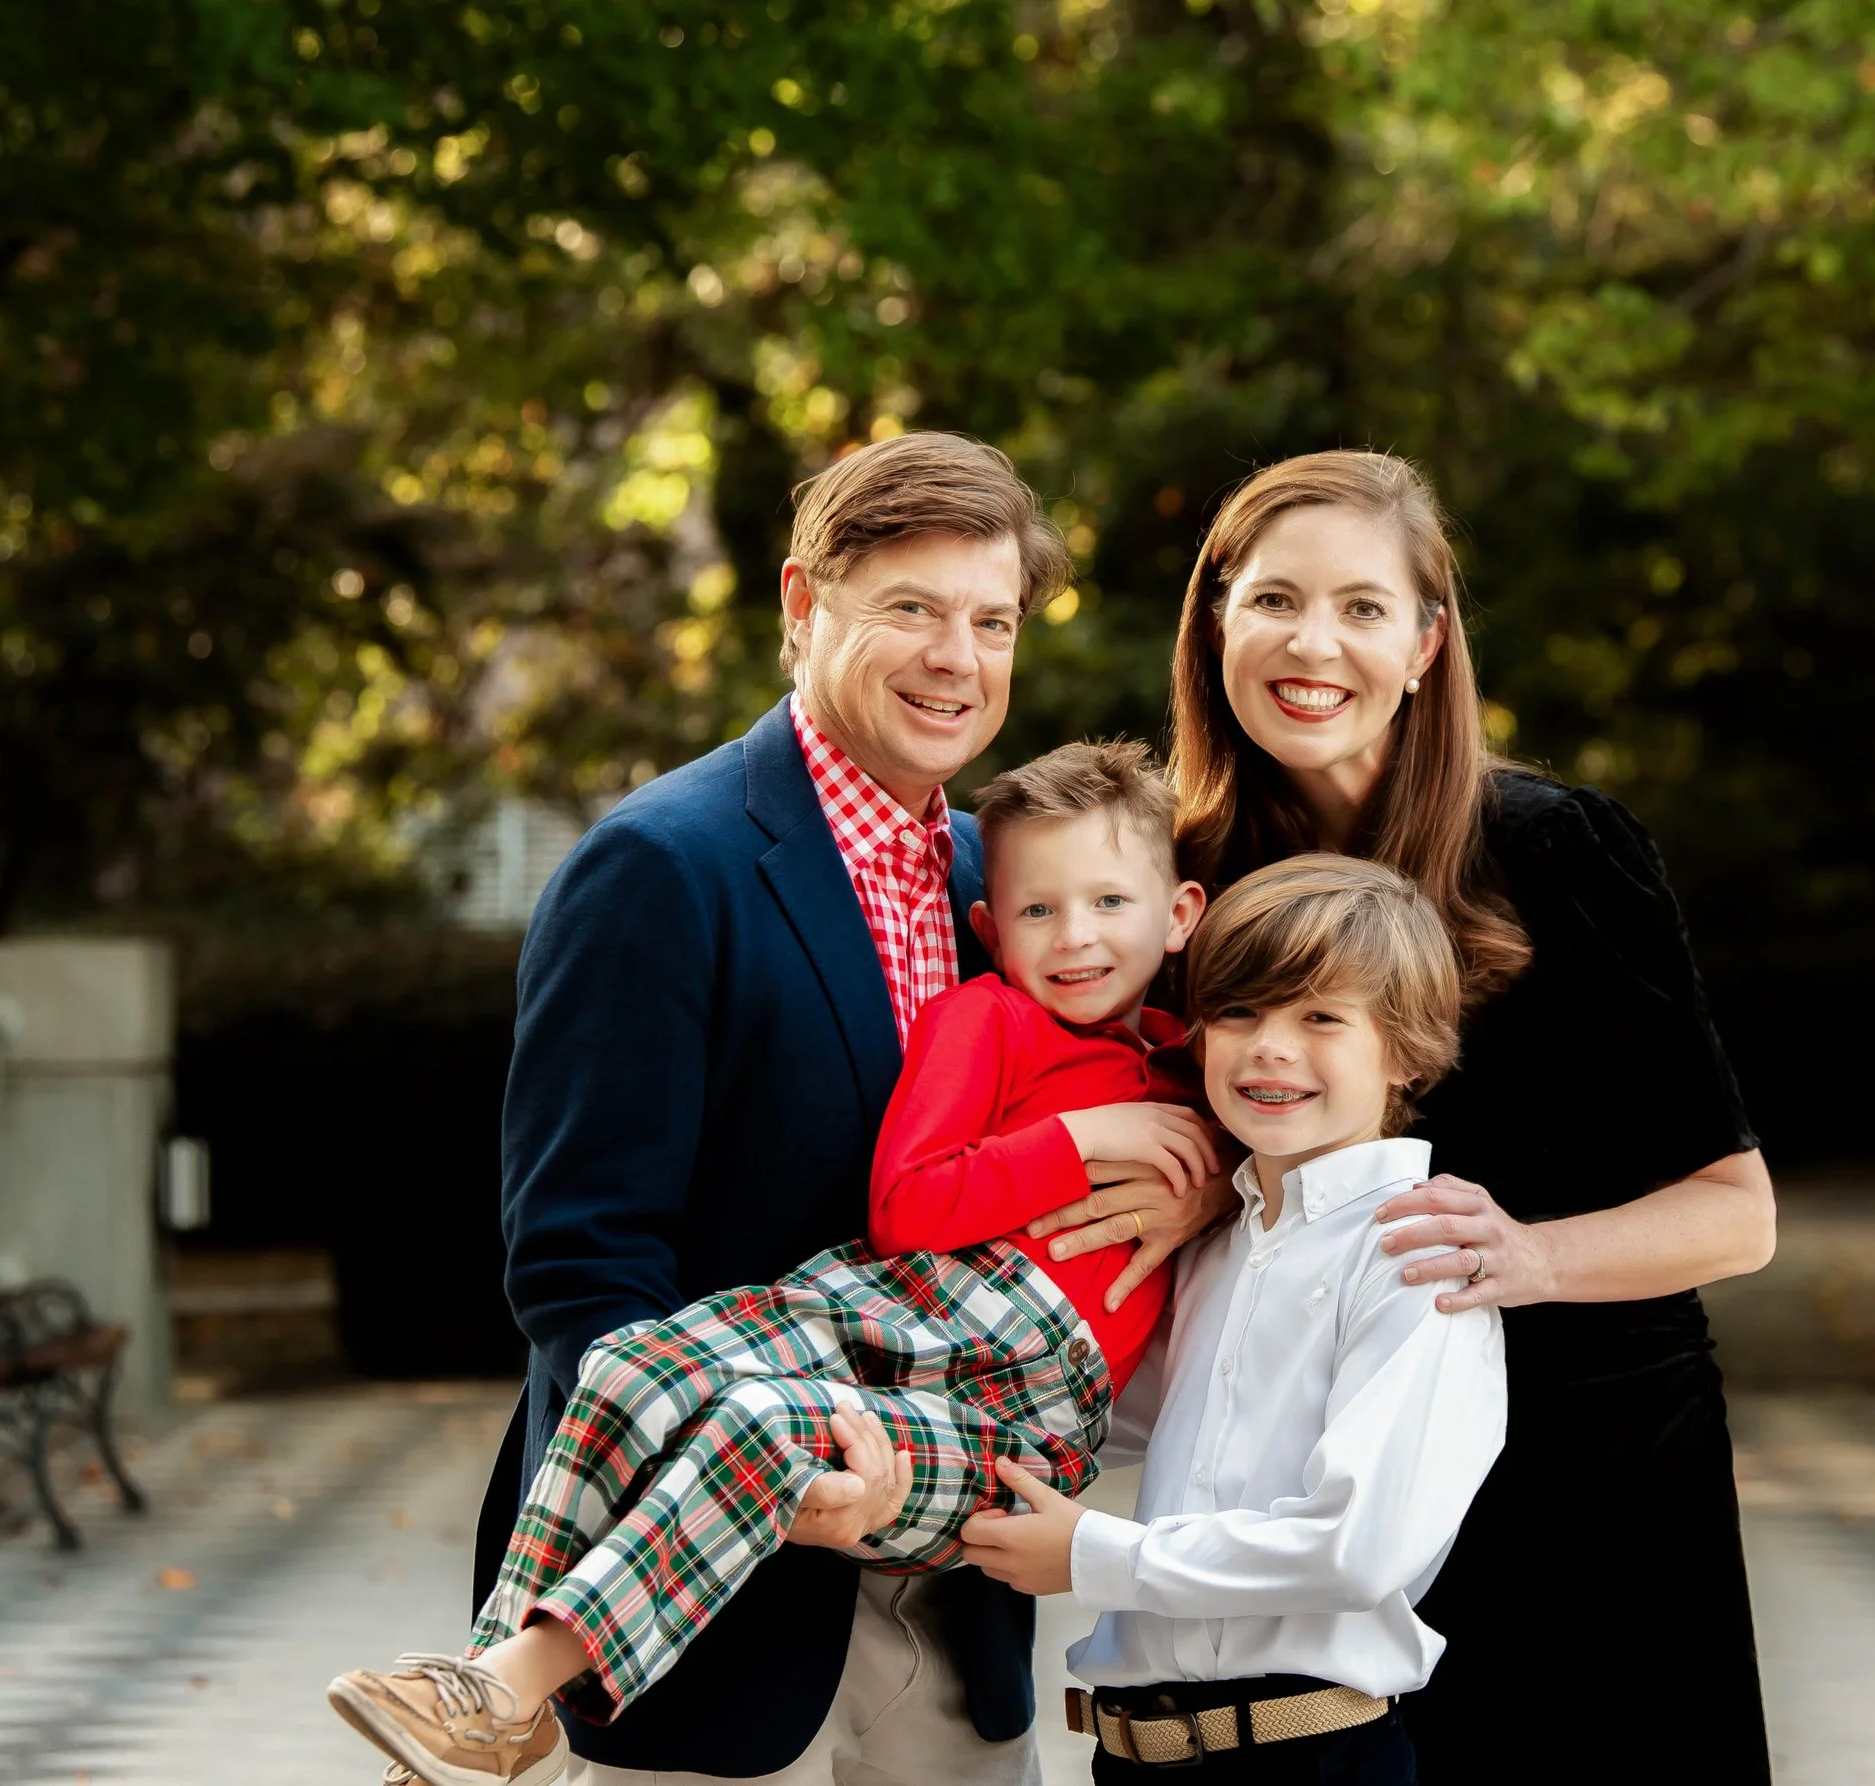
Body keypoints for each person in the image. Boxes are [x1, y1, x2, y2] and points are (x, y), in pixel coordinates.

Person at [453, 431, 1232, 1786]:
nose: (957, 658)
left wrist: (1198, 1175)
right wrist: (765, 1477)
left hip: (958, 1597)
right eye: (913, 610)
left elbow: (1123, 1086)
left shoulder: (1014, 881)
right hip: (711, 1621)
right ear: (804, 604)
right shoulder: (658, 866)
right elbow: (581, 1267)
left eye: (991, 622)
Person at [325, 742, 1217, 1786]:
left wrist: (1210, 1165)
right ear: (991, 925)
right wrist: (1084, 1141)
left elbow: (1309, 1099)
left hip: (1023, 1412)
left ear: (1178, 913)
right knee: (636, 1365)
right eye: (1040, 912)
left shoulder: (1193, 1057)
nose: (1076, 936)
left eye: (1110, 901)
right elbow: (904, 1207)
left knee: (759, 1422)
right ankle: (490, 1695)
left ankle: (508, 1684)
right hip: (899, 1312)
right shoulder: (986, 1014)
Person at [1159, 450, 1778, 1780]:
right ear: (1217, 622)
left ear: (1429, 643)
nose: (1312, 643)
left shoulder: (1557, 849)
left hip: (1588, 1490)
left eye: (1363, 607)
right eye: (1273, 599)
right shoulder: (1182, 879)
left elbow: (1738, 1213)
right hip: (1323, 1512)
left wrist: (1531, 1258)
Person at [961, 854, 1509, 1785]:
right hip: (1134, 1754)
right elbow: (1097, 1414)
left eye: (1321, 1017)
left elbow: (1356, 1545)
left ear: (1407, 1051)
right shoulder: (1212, 1248)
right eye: (1240, 1013)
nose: (1269, 1048)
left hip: (1311, 1757)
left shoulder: (1417, 1258)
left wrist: (1098, 1556)